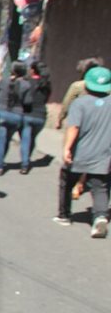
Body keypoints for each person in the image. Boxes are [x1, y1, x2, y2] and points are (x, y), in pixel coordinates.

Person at [54, 66, 111, 238]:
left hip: (80, 152)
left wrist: (66, 148)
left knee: (67, 181)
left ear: (86, 84)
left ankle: (64, 215)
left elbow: (74, 127)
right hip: (104, 154)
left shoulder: (79, 103)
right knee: (100, 187)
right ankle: (100, 216)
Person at [0, 61, 30, 176]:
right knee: (7, 140)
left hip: (1, 113)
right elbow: (27, 102)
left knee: (1, 141)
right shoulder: (26, 85)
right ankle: (2, 161)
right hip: (16, 116)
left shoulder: (4, 81)